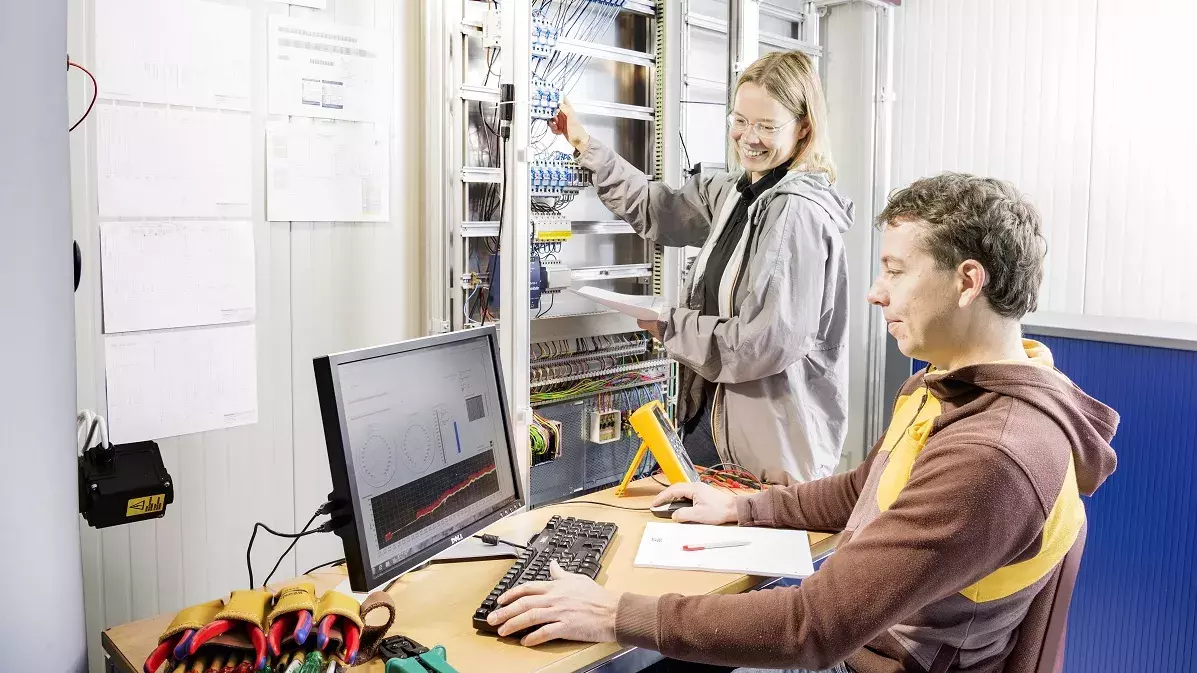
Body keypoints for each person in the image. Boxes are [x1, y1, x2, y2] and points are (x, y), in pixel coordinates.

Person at [485, 173, 1120, 673]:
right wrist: (742, 510)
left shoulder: (995, 454)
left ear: (967, 282)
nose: (875, 291)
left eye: (895, 270)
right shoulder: (945, 386)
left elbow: (813, 627)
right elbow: (862, 492)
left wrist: (612, 611)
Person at [549, 50, 854, 485]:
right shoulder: (737, 193)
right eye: (740, 120)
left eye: (767, 126)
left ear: (804, 128)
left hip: (765, 454)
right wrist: (585, 144)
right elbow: (660, 210)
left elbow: (762, 343)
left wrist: (670, 325)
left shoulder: (797, 215)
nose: (749, 137)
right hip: (712, 428)